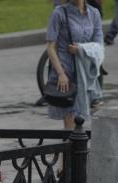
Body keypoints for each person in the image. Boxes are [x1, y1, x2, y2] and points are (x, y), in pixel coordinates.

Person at [46, 0, 103, 130]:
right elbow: (50, 47)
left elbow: (100, 47)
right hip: (65, 76)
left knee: (80, 121)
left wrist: (81, 49)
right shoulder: (59, 13)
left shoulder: (94, 14)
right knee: (70, 122)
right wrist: (60, 74)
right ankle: (69, 149)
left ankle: (75, 149)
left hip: (85, 76)